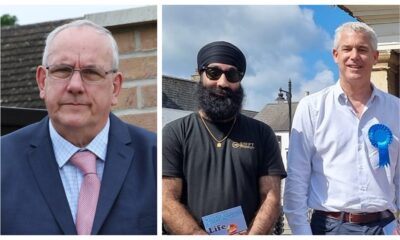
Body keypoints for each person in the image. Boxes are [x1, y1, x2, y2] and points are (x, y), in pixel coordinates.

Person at [1, 20, 157, 235]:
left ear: (115, 87)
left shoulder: (155, 158)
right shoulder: (4, 160)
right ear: (41, 81)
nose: (75, 85)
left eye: (91, 72)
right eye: (62, 70)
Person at [283, 21, 399, 235]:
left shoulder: (396, 109)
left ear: (375, 57)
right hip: (330, 228)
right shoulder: (312, 108)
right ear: (336, 55)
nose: (354, 56)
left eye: (363, 49)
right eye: (347, 48)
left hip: (385, 227)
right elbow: (297, 178)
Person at [162, 41, 287, 235]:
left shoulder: (262, 133)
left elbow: (270, 196)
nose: (222, 82)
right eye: (213, 73)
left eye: (232, 74)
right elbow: (167, 200)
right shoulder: (175, 132)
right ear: (200, 74)